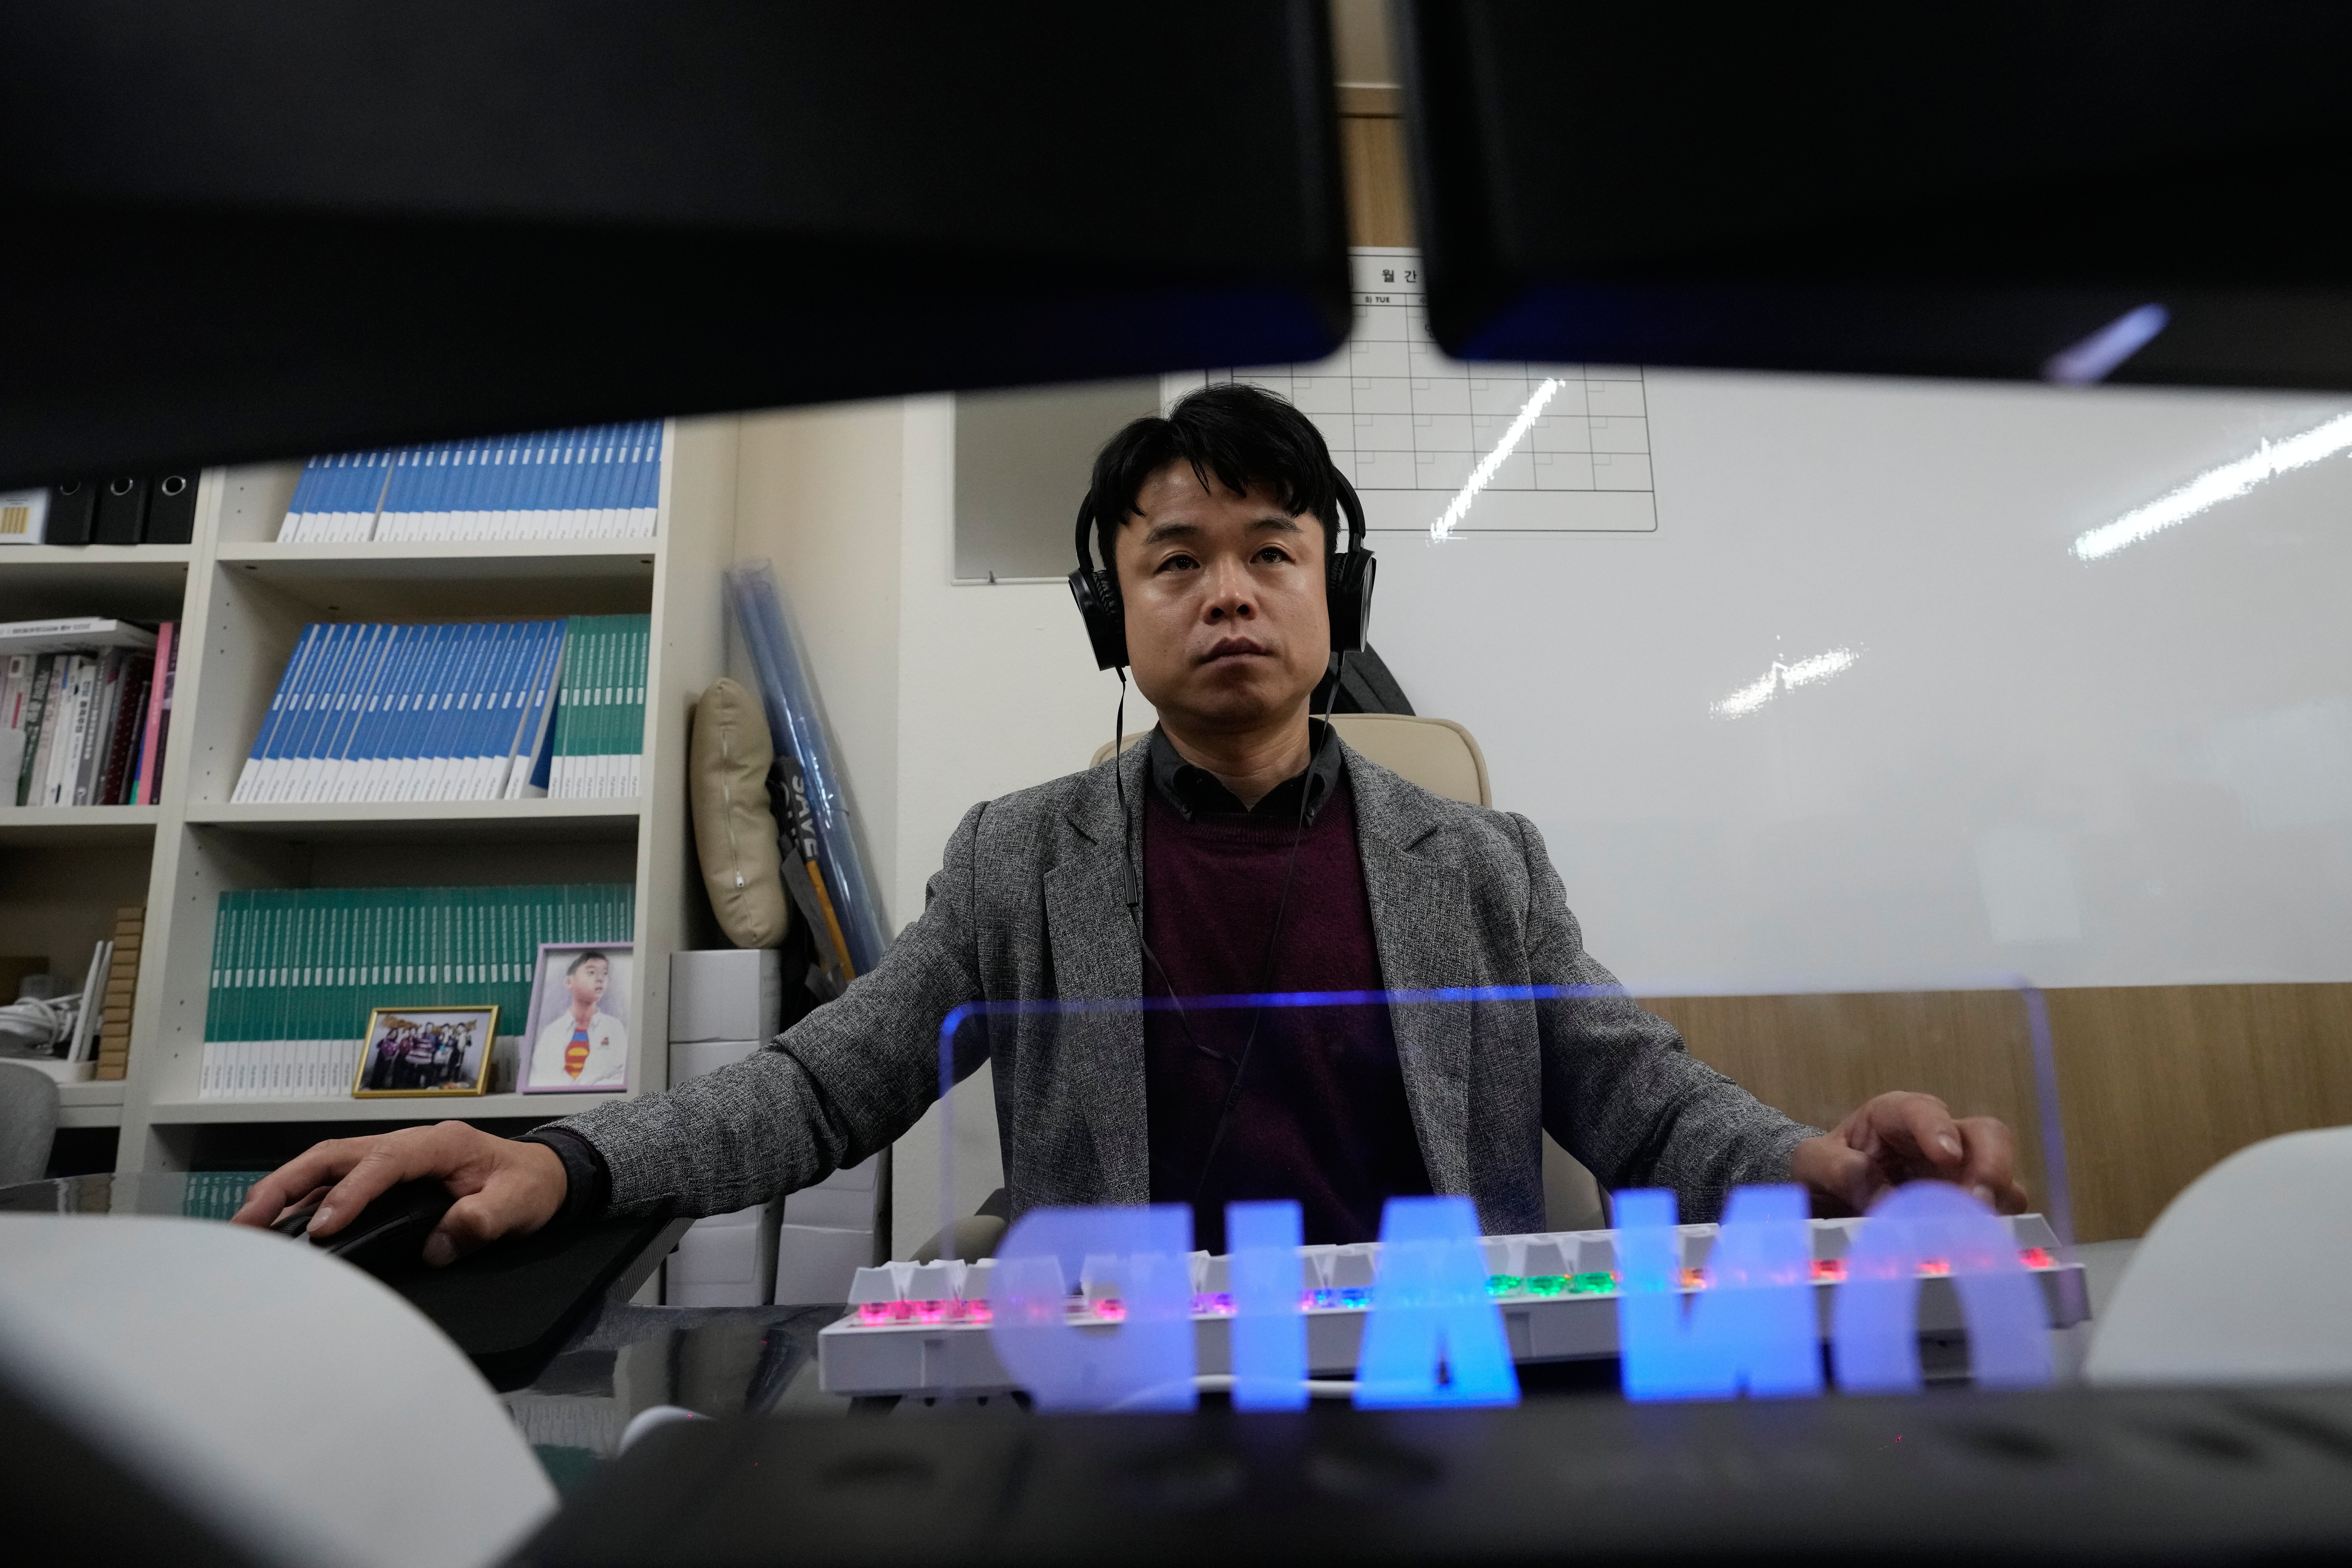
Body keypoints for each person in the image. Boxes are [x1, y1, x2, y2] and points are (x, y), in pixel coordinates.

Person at [235, 385, 2026, 1266]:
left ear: (1336, 595)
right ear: (1115, 616)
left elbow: (1633, 1093)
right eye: (1177, 559)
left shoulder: (1477, 860)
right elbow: (820, 1082)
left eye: (1273, 552)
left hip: (1432, 1384)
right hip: (1119, 1392)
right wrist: (574, 1158)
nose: (1228, 592)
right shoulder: (1022, 860)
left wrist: (1817, 1164)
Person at [527, 951, 628, 1090]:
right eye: (591, 973)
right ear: (570, 982)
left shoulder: (614, 1029)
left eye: (605, 973)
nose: (600, 979)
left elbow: (621, 1076)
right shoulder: (551, 1033)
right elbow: (541, 1078)